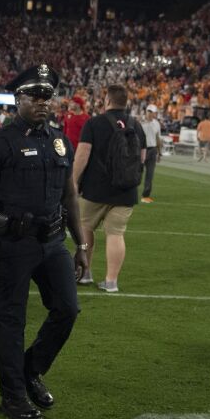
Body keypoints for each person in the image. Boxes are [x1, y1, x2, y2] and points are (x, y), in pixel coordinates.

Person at [0, 65, 88, 419]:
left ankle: (29, 369)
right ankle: (13, 396)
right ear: (17, 99)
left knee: (67, 309)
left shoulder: (59, 140)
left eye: (47, 96)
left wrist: (81, 244)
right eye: (33, 96)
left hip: (52, 240)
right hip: (10, 244)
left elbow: (70, 195)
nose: (42, 102)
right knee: (11, 321)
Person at [72, 85, 144, 292]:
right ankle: (111, 281)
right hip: (126, 190)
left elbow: (83, 154)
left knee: (85, 229)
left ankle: (85, 273)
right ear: (126, 102)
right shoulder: (136, 125)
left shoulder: (94, 123)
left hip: (96, 189)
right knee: (116, 234)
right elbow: (143, 157)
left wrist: (74, 181)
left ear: (107, 101)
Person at [139, 104, 163, 202]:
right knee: (137, 172)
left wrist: (159, 152)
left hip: (152, 150)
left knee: (150, 174)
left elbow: (158, 138)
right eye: (148, 111)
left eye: (151, 112)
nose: (149, 113)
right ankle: (130, 191)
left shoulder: (157, 124)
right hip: (141, 150)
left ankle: (145, 195)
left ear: (155, 113)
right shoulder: (140, 122)